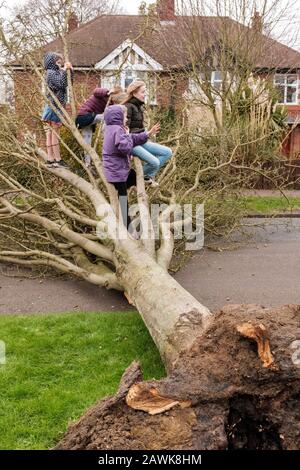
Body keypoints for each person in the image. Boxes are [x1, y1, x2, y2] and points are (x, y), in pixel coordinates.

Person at [102, 105, 160, 230]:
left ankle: (143, 181)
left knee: (134, 176)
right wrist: (127, 135)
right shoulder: (118, 130)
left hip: (114, 169)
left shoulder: (111, 128)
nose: (126, 118)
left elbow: (132, 138)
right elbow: (125, 148)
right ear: (117, 117)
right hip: (117, 173)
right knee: (123, 200)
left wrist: (147, 134)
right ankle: (127, 227)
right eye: (124, 116)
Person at [123, 81, 172, 187]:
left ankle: (145, 176)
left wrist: (147, 132)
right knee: (155, 162)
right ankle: (137, 179)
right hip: (132, 143)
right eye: (143, 92)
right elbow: (125, 131)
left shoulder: (139, 107)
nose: (145, 94)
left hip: (141, 140)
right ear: (134, 93)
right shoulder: (128, 107)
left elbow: (136, 127)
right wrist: (148, 133)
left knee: (167, 152)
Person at [75, 86, 123, 168]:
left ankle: (88, 163)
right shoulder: (103, 94)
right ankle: (106, 135)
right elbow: (95, 90)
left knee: (87, 141)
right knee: (107, 116)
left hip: (89, 120)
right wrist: (107, 92)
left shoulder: (111, 103)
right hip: (84, 116)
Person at [41, 51, 73, 168]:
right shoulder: (50, 73)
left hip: (54, 106)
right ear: (52, 62)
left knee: (51, 133)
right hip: (54, 106)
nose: (60, 64)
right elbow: (61, 83)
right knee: (54, 133)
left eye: (61, 62)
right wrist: (65, 70)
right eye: (58, 62)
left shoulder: (55, 72)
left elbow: (68, 82)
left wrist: (69, 70)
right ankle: (57, 159)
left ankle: (50, 159)